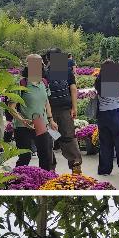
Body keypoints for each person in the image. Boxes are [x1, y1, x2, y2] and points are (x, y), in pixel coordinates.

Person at [10, 55, 56, 170]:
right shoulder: (21, 83)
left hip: (40, 123)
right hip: (23, 125)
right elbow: (11, 107)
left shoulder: (44, 83)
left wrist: (51, 120)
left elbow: (46, 102)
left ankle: (44, 181)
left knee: (45, 155)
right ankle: (18, 181)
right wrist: (22, 120)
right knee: (25, 157)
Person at [43, 48, 82, 176]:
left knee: (48, 140)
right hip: (65, 110)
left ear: (48, 59)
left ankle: (49, 170)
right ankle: (75, 166)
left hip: (48, 113)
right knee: (68, 138)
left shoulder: (44, 72)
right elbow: (73, 89)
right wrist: (74, 108)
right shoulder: (67, 71)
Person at [94, 59, 119, 178]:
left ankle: (105, 169)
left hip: (102, 115)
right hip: (115, 114)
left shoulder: (98, 82)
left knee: (105, 143)